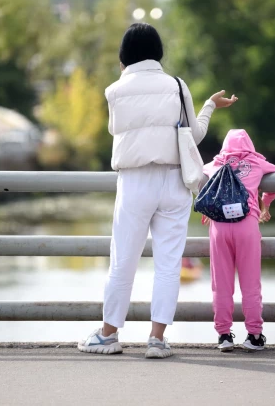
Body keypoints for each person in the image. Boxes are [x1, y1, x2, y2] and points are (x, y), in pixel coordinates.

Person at [78, 23, 237, 359]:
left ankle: (108, 335)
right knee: (168, 263)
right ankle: (157, 339)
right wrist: (208, 106)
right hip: (174, 180)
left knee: (124, 260)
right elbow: (193, 135)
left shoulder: (114, 91)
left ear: (124, 58)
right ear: (159, 53)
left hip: (135, 181)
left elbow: (113, 129)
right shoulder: (177, 86)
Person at [201, 129, 275, 352]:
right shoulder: (257, 162)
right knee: (251, 284)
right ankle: (254, 336)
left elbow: (198, 181)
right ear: (249, 145)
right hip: (247, 225)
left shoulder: (215, 163)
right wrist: (266, 203)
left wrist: (208, 209)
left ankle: (224, 336)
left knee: (221, 285)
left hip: (219, 226)